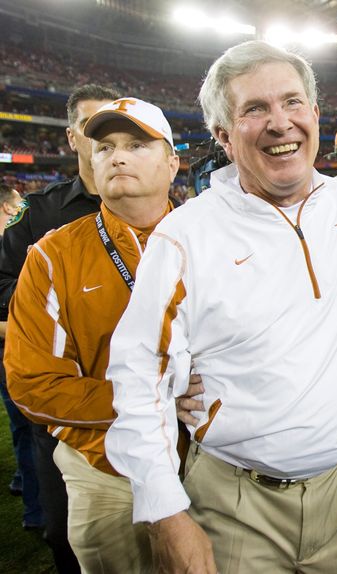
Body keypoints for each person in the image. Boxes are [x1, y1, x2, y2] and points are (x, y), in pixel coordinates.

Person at [104, 41, 337, 573]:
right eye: (255, 109)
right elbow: (139, 380)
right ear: (224, 138)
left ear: (316, 115)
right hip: (236, 503)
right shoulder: (185, 236)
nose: (281, 123)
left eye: (293, 102)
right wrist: (167, 515)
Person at [5, 97, 179, 573]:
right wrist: (155, 401)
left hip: (211, 466)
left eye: (137, 144)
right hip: (107, 472)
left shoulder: (219, 240)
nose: (117, 156)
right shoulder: (51, 255)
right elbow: (32, 384)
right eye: (104, 147)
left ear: (173, 161)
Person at [0, 83, 119, 574]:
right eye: (93, 129)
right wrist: (57, 305)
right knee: (66, 531)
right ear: (71, 138)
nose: (104, 141)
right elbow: (2, 281)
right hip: (69, 407)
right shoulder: (39, 212)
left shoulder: (161, 211)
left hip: (151, 402)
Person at [0, 184, 41, 531]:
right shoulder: (11, 251)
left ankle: (25, 489)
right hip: (13, 355)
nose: (17, 215)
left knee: (25, 432)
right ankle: (35, 511)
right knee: (26, 431)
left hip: (19, 349)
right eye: (13, 209)